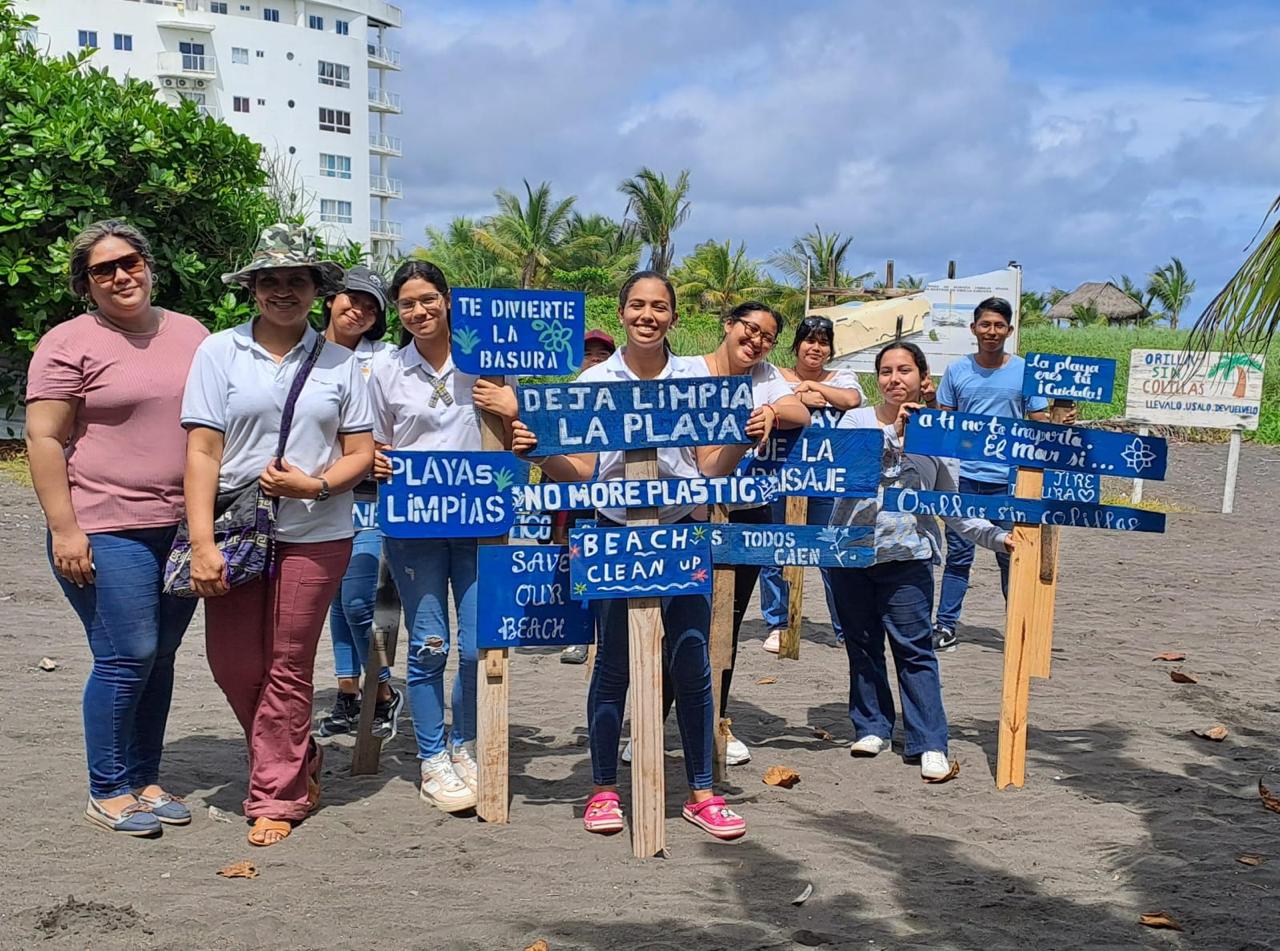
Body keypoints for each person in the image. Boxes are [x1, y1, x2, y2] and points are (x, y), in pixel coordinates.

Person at [510, 271, 757, 841]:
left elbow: (710, 467)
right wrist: (543, 453)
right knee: (612, 667)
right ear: (621, 312)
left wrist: (742, 439)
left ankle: (702, 792)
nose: (648, 315)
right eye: (638, 305)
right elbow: (584, 472)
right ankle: (601, 789)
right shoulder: (594, 379)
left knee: (692, 663)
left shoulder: (696, 376)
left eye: (660, 306)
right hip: (611, 533)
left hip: (682, 535)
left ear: (673, 316)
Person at [181, 224, 375, 847]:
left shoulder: (344, 365)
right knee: (234, 664)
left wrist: (315, 486)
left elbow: (361, 453)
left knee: (288, 666)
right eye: (270, 281)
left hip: (317, 532)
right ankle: (298, 752)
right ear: (253, 290)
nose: (283, 291)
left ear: (317, 290)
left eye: (296, 280)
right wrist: (202, 543)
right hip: (236, 529)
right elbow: (203, 452)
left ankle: (276, 794)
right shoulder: (219, 352)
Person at [25, 220, 208, 837]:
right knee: (126, 653)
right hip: (104, 525)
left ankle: (145, 778)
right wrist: (65, 529)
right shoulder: (66, 342)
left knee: (160, 657)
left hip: (183, 527)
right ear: (87, 284)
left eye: (129, 262)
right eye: (103, 270)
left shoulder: (192, 333)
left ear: (149, 265)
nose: (120, 276)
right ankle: (107, 789)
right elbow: (44, 438)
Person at [369, 260, 518, 814]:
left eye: (428, 299)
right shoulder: (387, 368)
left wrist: (511, 405)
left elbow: (514, 433)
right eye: (407, 304)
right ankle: (432, 757)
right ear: (398, 312)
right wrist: (377, 463)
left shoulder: (491, 364)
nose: (419, 311)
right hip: (415, 528)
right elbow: (374, 444)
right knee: (429, 643)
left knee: (479, 645)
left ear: (449, 299)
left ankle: (467, 745)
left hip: (481, 524)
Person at [830, 341, 1014, 780]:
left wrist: (998, 537)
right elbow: (840, 475)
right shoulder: (853, 421)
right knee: (861, 643)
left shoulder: (940, 437)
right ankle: (872, 725)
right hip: (849, 552)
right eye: (887, 371)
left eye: (905, 370)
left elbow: (952, 506)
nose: (895, 378)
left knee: (914, 649)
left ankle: (929, 740)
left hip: (908, 556)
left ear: (922, 378)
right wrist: (895, 435)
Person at [690, 302, 807, 765]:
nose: (756, 340)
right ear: (728, 325)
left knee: (725, 630)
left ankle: (715, 722)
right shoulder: (688, 370)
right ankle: (650, 726)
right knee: (676, 628)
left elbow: (802, 411)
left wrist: (772, 412)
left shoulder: (766, 378)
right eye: (750, 329)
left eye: (767, 336)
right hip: (690, 517)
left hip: (746, 515)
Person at [313, 266, 405, 740]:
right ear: (330, 299)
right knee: (334, 597)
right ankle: (348, 692)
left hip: (373, 495)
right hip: (317, 494)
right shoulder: (303, 352)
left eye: (372, 306)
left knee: (356, 599)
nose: (360, 310)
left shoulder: (385, 357)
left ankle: (384, 690)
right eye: (353, 298)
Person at [931, 297, 1048, 652]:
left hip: (1009, 480)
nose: (991, 332)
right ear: (974, 329)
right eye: (985, 325)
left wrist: (1062, 419)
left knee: (1011, 555)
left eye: (999, 326)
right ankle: (946, 625)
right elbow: (944, 421)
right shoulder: (957, 371)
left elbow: (1039, 422)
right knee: (960, 555)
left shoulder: (1025, 372)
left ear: (1009, 331)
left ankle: (1019, 627)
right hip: (964, 478)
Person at [760, 315, 864, 654]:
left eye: (822, 342)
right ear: (797, 344)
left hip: (825, 478)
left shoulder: (842, 377)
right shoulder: (773, 374)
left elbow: (850, 400)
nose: (815, 348)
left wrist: (814, 388)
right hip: (777, 475)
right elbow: (764, 403)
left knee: (831, 552)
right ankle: (778, 623)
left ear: (830, 349)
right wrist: (800, 398)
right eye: (809, 340)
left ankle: (845, 625)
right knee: (775, 551)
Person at [558, 328, 617, 665]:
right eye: (588, 354)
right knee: (578, 564)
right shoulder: (566, 399)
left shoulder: (623, 398)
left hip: (611, 497)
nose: (594, 360)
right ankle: (579, 636)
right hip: (576, 498)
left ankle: (605, 637)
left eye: (602, 354)